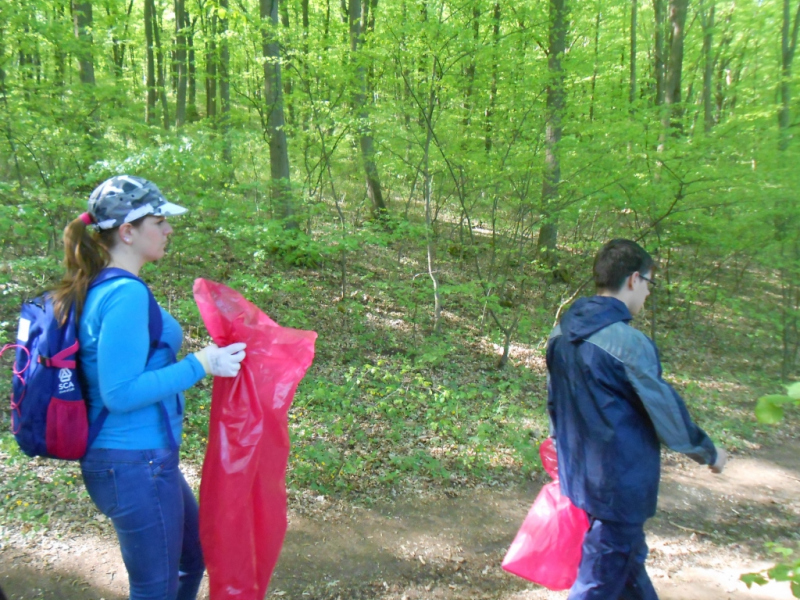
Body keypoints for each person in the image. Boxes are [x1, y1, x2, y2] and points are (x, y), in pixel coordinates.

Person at [50, 175, 246, 600]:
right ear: (127, 231)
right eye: (159, 221)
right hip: (132, 463)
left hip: (145, 461)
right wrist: (200, 364)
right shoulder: (123, 294)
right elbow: (120, 393)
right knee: (155, 587)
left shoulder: (113, 286)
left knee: (191, 559)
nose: (169, 229)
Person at [546, 239, 727, 600]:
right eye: (649, 283)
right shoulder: (628, 343)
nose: (647, 293)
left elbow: (555, 403)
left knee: (625, 570)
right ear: (633, 279)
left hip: (580, 476)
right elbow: (667, 413)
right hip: (620, 486)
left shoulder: (561, 332)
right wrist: (707, 451)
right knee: (598, 582)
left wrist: (558, 450)